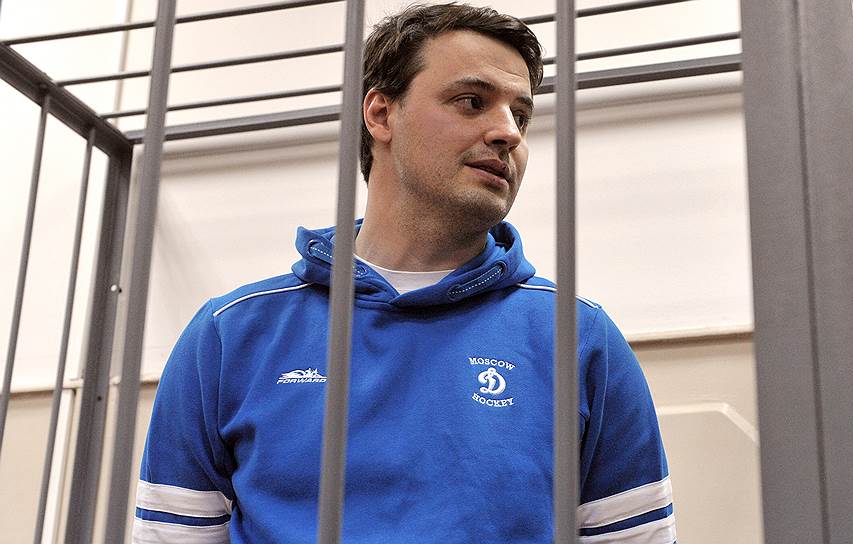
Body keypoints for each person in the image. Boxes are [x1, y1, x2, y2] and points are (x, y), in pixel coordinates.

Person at [134, 3, 675, 543]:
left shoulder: (577, 337)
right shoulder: (231, 333)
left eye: (521, 115)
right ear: (381, 114)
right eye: (472, 102)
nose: (508, 132)